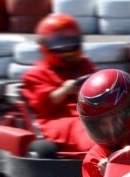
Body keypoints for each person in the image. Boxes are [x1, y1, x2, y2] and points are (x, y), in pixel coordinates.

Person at [21, 13, 96, 154]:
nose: (67, 47)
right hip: (57, 118)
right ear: (44, 45)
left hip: (90, 112)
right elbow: (42, 107)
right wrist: (64, 90)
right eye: (61, 41)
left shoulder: (84, 65)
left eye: (71, 40)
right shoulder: (36, 73)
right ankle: (100, 151)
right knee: (84, 126)